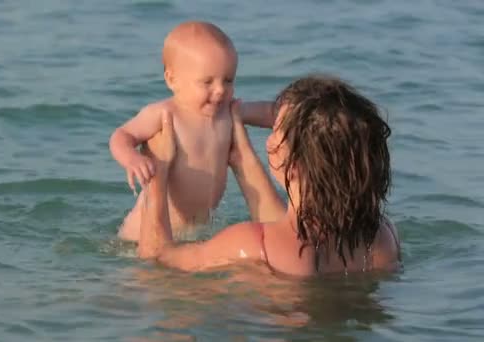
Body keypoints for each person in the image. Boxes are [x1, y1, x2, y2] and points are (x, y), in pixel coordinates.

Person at [137, 75, 402, 276]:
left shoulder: (250, 244)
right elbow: (289, 236)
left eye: (276, 129)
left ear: (293, 164)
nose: (270, 138)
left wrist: (156, 172)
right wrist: (242, 159)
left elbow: (158, 258)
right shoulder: (383, 239)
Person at [109, 21, 272, 241]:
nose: (220, 90)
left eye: (228, 80)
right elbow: (121, 136)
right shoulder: (166, 115)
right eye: (207, 82)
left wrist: (300, 114)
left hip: (196, 232)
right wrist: (131, 159)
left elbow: (269, 112)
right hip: (142, 234)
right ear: (172, 79)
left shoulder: (228, 112)